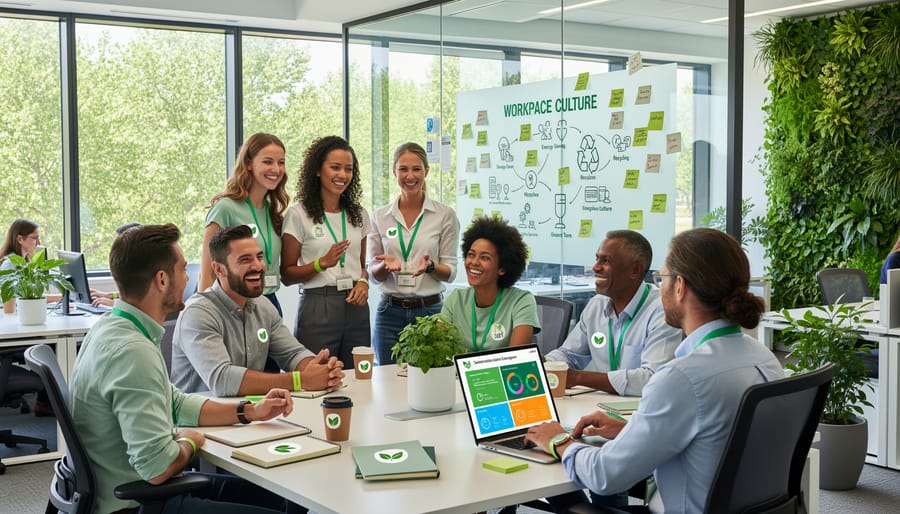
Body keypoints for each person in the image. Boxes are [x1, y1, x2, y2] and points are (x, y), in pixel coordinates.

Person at [524, 228, 784, 513]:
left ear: (680, 286)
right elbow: (716, 438)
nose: (658, 288)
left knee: (567, 495)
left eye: (662, 278)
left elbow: (604, 476)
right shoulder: (765, 359)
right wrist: (630, 432)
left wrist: (558, 440)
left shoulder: (681, 378)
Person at [70, 223, 296, 514]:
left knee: (281, 499)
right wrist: (191, 440)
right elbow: (157, 467)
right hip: (136, 501)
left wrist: (248, 411)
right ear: (162, 280)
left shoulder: (113, 328)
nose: (188, 277)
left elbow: (174, 402)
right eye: (182, 269)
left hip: (137, 487)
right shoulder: (133, 352)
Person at [171, 225, 344, 396]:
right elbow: (222, 379)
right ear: (219, 269)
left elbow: (293, 354)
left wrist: (321, 370)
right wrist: (301, 380)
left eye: (259, 257)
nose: (258, 266)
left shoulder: (263, 306)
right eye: (245, 260)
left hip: (249, 414)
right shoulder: (198, 313)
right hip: (202, 421)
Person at [544, 230, 681, 396]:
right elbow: (570, 355)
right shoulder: (597, 304)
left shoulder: (661, 311)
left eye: (606, 260)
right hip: (602, 407)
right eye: (597, 259)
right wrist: (545, 364)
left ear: (635, 271)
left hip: (641, 410)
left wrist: (579, 377)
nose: (595, 267)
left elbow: (652, 378)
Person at [281, 135, 371, 367]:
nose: (342, 175)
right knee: (317, 375)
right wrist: (322, 263)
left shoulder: (359, 215)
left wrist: (364, 283)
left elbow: (362, 267)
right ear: (318, 170)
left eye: (348, 169)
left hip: (356, 306)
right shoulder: (298, 214)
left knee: (357, 378)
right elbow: (287, 275)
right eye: (335, 167)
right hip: (318, 305)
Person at [367, 142, 460, 365]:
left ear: (426, 171)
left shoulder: (444, 215)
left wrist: (431, 267)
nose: (410, 176)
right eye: (403, 169)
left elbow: (451, 272)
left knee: (429, 380)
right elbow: (372, 273)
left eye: (417, 169)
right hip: (389, 312)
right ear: (394, 172)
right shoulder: (379, 217)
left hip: (430, 312)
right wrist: (384, 266)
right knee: (387, 382)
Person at [200, 133, 289, 314]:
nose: (276, 169)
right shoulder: (225, 208)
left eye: (281, 162)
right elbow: (207, 272)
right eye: (268, 162)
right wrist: (203, 314)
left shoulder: (272, 211)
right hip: (234, 304)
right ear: (248, 163)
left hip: (270, 303)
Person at [441, 216, 540, 351]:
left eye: (485, 257)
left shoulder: (521, 301)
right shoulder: (456, 299)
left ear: (502, 268)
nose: (474, 262)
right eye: (471, 254)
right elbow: (437, 346)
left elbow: (516, 358)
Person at [91, 222, 143, 307]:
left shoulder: (146, 268)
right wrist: (110, 295)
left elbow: (146, 302)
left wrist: (115, 304)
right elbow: (134, 295)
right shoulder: (129, 265)